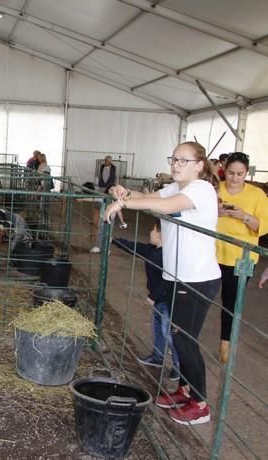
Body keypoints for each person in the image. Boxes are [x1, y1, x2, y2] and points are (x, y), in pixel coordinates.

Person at [105, 141, 221, 425]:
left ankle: (200, 404)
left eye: (183, 160)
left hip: (196, 277)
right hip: (175, 274)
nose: (176, 164)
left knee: (184, 339)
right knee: (177, 336)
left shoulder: (201, 189)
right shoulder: (176, 187)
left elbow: (165, 206)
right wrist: (120, 190)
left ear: (199, 165)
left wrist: (124, 203)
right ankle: (184, 389)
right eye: (174, 159)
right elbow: (150, 196)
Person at [214, 152, 268, 364]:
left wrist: (244, 216)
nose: (235, 178)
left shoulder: (257, 195)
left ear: (247, 173)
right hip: (211, 252)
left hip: (241, 259)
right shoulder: (214, 189)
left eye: (240, 174)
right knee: (199, 297)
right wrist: (215, 213)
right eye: (231, 173)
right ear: (223, 170)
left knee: (232, 302)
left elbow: (262, 227)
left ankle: (226, 343)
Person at [113, 221, 179, 381]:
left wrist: (152, 297)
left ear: (161, 235)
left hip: (169, 300)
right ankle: (157, 357)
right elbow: (135, 247)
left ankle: (179, 366)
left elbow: (168, 281)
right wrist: (114, 240)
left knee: (168, 333)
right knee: (158, 328)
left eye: (153, 230)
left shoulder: (168, 256)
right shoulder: (152, 250)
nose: (150, 232)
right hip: (159, 299)